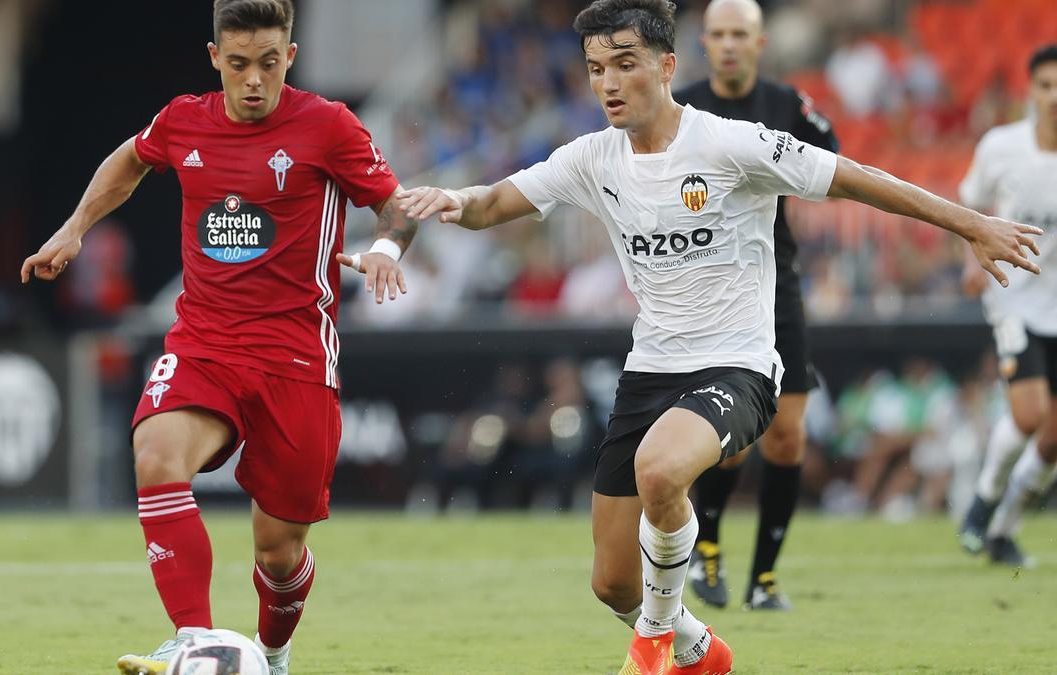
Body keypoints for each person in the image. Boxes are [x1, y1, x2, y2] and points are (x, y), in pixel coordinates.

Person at [398, 1, 1041, 673]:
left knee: (660, 470)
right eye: (595, 70)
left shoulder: (731, 143)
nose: (608, 84)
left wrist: (971, 224)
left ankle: (649, 649)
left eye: (624, 64)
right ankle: (697, 647)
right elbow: (494, 202)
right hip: (650, 371)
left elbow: (858, 178)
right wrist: (451, 200)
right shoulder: (590, 158)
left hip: (738, 367)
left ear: (667, 65)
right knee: (612, 581)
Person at [20, 1, 417, 673]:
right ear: (215, 59)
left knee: (278, 552)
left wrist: (387, 248)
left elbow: (395, 204)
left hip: (296, 356)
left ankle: (273, 655)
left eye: (268, 64)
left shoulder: (329, 126)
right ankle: (192, 639)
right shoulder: (184, 120)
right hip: (205, 341)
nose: (254, 81)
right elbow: (132, 156)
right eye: (238, 65)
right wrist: (75, 226)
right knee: (155, 451)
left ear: (289, 57)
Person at [672, 0, 838, 611]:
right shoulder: (681, 108)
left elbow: (831, 159)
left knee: (788, 437)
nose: (729, 45)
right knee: (732, 438)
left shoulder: (788, 107)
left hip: (777, 285)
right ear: (704, 42)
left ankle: (764, 579)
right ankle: (707, 549)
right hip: (711, 289)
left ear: (760, 41)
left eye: (739, 34)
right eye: (717, 34)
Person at [957, 43, 1057, 568]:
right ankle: (983, 500)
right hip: (1015, 297)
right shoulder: (1002, 147)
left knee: (1053, 440)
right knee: (1030, 412)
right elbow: (969, 204)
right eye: (1046, 84)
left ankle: (1003, 529)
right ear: (1031, 91)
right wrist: (972, 256)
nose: (1055, 95)